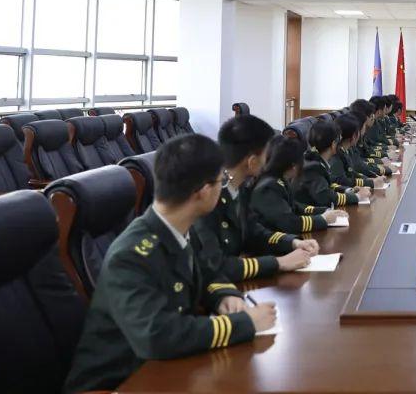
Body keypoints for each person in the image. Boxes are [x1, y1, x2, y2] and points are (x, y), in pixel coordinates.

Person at [64, 134, 275, 394]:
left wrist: (224, 296)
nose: (223, 187)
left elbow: (206, 272)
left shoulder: (176, 228)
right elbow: (158, 335)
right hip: (118, 382)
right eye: (221, 181)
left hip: (161, 369)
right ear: (203, 191)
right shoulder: (131, 256)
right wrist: (244, 324)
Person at [194, 115, 318, 282]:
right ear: (252, 162)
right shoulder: (208, 199)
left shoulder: (240, 188)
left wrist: (293, 243)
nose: (268, 160)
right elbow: (216, 266)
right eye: (266, 154)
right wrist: (278, 263)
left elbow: (254, 232)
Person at [250, 135, 344, 234]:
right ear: (294, 165)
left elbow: (295, 207)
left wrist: (325, 211)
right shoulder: (267, 188)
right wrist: (323, 219)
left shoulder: (279, 179)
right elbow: (289, 223)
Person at [297, 116, 363, 208]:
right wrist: (357, 197)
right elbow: (325, 197)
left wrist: (348, 190)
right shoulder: (312, 168)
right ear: (333, 144)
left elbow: (328, 186)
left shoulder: (314, 159)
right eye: (338, 141)